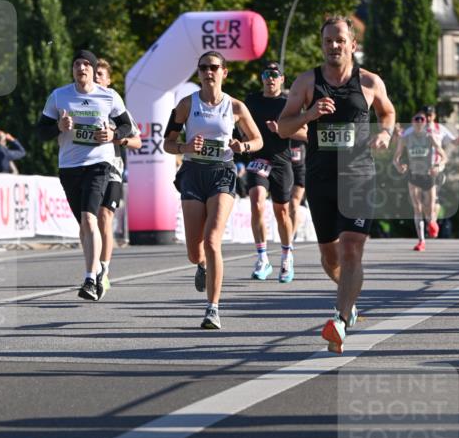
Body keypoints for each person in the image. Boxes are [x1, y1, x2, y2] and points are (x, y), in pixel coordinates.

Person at [278, 16, 396, 353]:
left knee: (351, 248)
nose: (334, 46)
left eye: (340, 40)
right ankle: (349, 298)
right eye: (328, 40)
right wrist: (309, 114)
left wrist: (385, 134)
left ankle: (340, 321)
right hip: (321, 179)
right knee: (330, 257)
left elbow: (387, 113)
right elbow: (283, 128)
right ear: (322, 45)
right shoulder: (306, 82)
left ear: (352, 45)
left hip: (359, 176)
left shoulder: (370, 81)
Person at [163, 52, 262, 330]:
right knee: (195, 252)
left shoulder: (236, 106)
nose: (209, 72)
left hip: (222, 173)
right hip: (193, 173)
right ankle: (202, 265)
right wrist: (184, 147)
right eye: (203, 67)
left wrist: (243, 146)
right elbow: (167, 143)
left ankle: (213, 308)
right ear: (198, 73)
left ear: (224, 72)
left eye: (214, 67)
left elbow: (258, 140)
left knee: (212, 240)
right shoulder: (186, 104)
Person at [36, 47, 137, 301]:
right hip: (69, 166)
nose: (81, 68)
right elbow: (40, 132)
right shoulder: (59, 96)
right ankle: (97, 269)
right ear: (72, 69)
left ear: (92, 70)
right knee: (84, 224)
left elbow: (127, 125)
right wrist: (58, 126)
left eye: (86, 64)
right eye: (77, 64)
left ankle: (91, 278)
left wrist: (114, 134)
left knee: (91, 217)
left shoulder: (109, 96)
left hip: (99, 163)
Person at [244, 61, 307, 283]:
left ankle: (287, 255)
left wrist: (282, 130)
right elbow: (240, 122)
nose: (270, 78)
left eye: (274, 74)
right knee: (257, 203)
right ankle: (262, 258)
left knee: (282, 212)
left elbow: (306, 134)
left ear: (282, 79)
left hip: (281, 162)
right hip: (258, 159)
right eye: (266, 74)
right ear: (262, 78)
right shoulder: (251, 101)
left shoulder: (288, 103)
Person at [94, 58, 142, 292]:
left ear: (109, 80)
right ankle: (92, 266)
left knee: (105, 216)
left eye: (100, 74)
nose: (96, 78)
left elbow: (137, 141)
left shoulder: (116, 106)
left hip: (112, 169)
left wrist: (117, 138)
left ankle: (103, 270)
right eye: (94, 73)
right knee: (89, 220)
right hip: (86, 169)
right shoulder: (81, 104)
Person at [393, 110, 446, 251]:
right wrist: (399, 166)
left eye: (422, 120)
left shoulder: (430, 137)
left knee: (430, 208)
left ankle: (432, 222)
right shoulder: (405, 138)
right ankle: (421, 241)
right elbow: (395, 158)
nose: (419, 122)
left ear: (425, 123)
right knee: (417, 207)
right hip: (414, 175)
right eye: (416, 119)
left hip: (428, 175)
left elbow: (444, 156)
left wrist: (438, 166)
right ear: (412, 122)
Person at [402, 104, 456, 237]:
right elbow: (402, 140)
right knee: (420, 204)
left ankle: (432, 221)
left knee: (432, 201)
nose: (428, 118)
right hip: (417, 170)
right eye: (425, 116)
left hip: (436, 168)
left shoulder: (439, 129)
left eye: (430, 115)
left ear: (434, 116)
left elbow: (454, 141)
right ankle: (429, 221)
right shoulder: (414, 129)